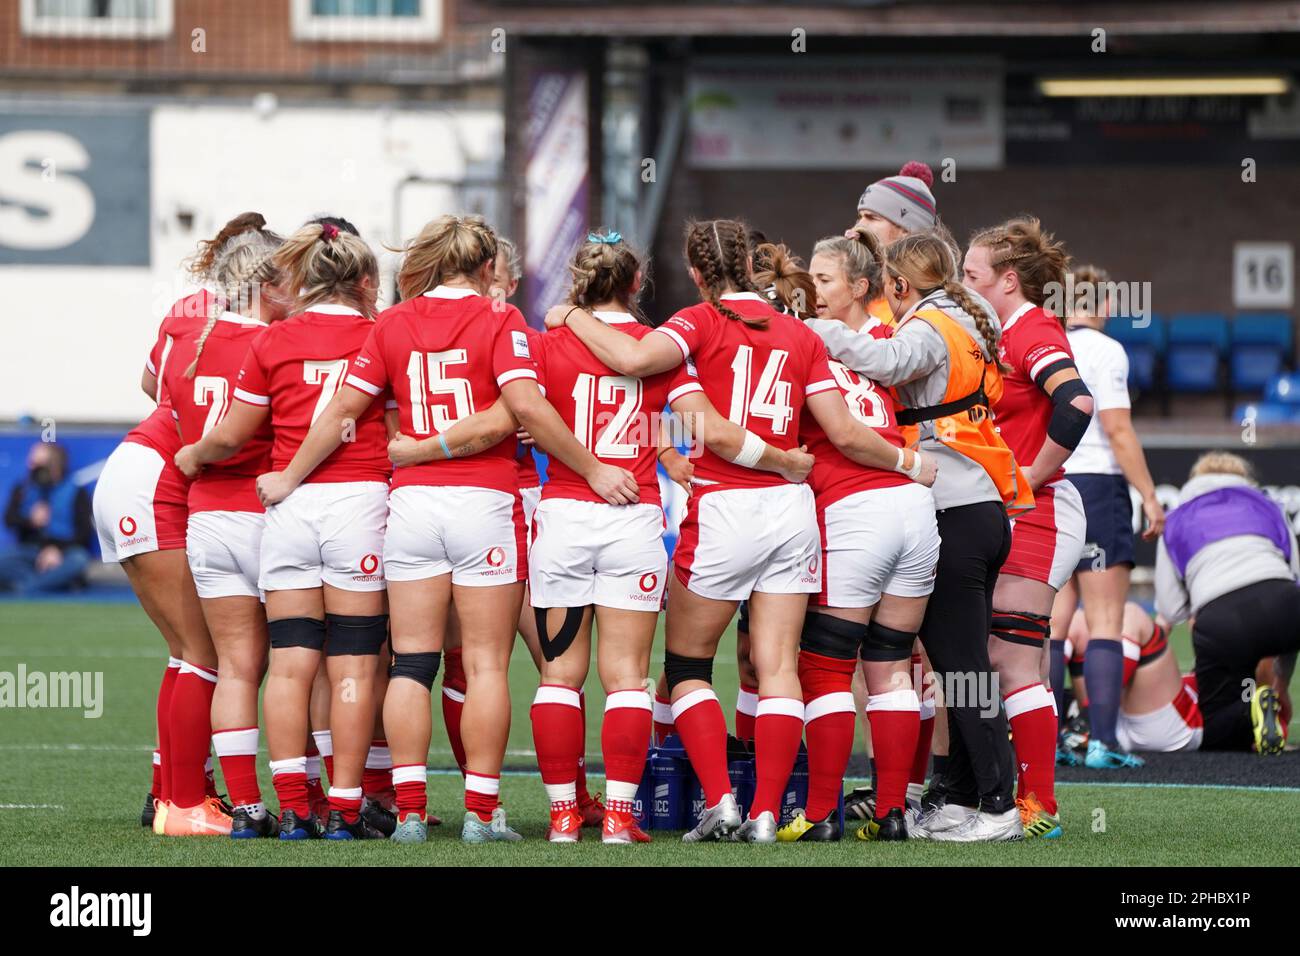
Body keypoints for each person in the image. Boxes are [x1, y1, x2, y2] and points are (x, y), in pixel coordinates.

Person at [545, 218, 936, 844]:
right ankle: (767, 813)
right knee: (781, 667)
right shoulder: (801, 332)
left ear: (698, 275)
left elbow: (634, 360)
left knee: (687, 665)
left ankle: (722, 803)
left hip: (727, 506)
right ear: (754, 267)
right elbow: (839, 428)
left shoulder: (697, 322)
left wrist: (567, 316)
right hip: (793, 513)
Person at [259, 214, 638, 844]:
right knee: (486, 665)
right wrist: (594, 468)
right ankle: (481, 814)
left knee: (411, 664)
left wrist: (290, 476)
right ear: (489, 268)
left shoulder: (392, 323)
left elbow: (341, 412)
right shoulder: (499, 320)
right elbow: (521, 410)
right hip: (484, 503)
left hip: (410, 512)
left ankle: (407, 811)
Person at [804, 231, 1032, 842]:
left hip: (957, 506)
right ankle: (960, 796)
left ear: (901, 285)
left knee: (962, 669)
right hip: (979, 502)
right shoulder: (963, 317)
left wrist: (811, 331)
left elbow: (885, 362)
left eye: (888, 288)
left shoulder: (932, 323)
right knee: (957, 663)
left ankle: (997, 804)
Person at [176, 219, 395, 841]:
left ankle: (290, 807)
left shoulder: (272, 341)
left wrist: (191, 457)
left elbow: (236, 430)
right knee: (350, 668)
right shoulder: (381, 333)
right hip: (357, 505)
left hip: (287, 511)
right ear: (361, 280)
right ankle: (345, 808)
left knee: (289, 666)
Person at [758, 237, 940, 844]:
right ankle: (893, 813)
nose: (816, 289)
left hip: (854, 509)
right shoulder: (884, 343)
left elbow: (835, 433)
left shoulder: (799, 345)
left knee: (825, 670)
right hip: (916, 514)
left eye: (826, 279)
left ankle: (816, 816)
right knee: (889, 668)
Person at [962, 217, 1093, 839]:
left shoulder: (1032, 328)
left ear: (1009, 281)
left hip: (1039, 510)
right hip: (1015, 509)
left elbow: (1078, 403)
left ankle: (1037, 806)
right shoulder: (1000, 333)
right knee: (999, 658)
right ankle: (1006, 798)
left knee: (1011, 660)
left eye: (971, 276)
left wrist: (1027, 479)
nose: (962, 287)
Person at [163, 227, 291, 838]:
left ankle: (244, 806)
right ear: (267, 284)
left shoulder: (195, 336)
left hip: (207, 517)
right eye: (289, 276)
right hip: (267, 514)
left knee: (233, 667)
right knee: (302, 665)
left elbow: (156, 394)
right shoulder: (277, 343)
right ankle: (311, 800)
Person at [1050, 264, 1164, 768]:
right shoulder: (1107, 350)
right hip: (1097, 485)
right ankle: (1102, 743)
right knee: (1104, 622)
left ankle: (1046, 740)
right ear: (1108, 307)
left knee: (1050, 625)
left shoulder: (1046, 343)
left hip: (1051, 480)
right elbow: (1117, 430)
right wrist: (1151, 496)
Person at [1156, 452, 1299, 754]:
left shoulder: (1175, 518)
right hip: (1284, 603)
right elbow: (1294, 574)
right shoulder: (1270, 505)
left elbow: (1171, 609)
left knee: (1216, 731)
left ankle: (1251, 714)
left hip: (1221, 621)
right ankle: (1273, 697)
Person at [1066, 602, 1203, 753]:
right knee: (1075, 620)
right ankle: (1053, 728)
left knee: (1131, 613)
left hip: (1166, 728)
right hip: (1115, 722)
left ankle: (1085, 721)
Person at [849, 162, 941, 327]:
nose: (857, 226)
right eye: (860, 216)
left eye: (871, 217)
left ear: (907, 231)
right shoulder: (857, 292)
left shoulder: (931, 308)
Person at [2, 442, 92, 595]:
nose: (31, 466)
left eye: (38, 464)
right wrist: (30, 520)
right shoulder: (24, 488)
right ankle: (45, 584)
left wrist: (57, 550)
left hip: (63, 553)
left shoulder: (75, 491)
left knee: (79, 560)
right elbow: (9, 520)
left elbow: (84, 533)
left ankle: (28, 586)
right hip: (30, 552)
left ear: (55, 465)